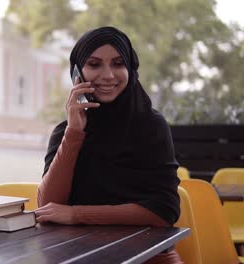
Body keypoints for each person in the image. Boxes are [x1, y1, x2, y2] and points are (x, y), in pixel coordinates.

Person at [35, 26, 182, 263]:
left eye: (117, 63)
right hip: (78, 256)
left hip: (148, 259)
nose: (108, 75)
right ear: (77, 74)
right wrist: (74, 133)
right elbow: (49, 208)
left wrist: (77, 214)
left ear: (131, 69)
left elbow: (163, 212)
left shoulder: (150, 126)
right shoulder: (66, 132)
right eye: (94, 64)